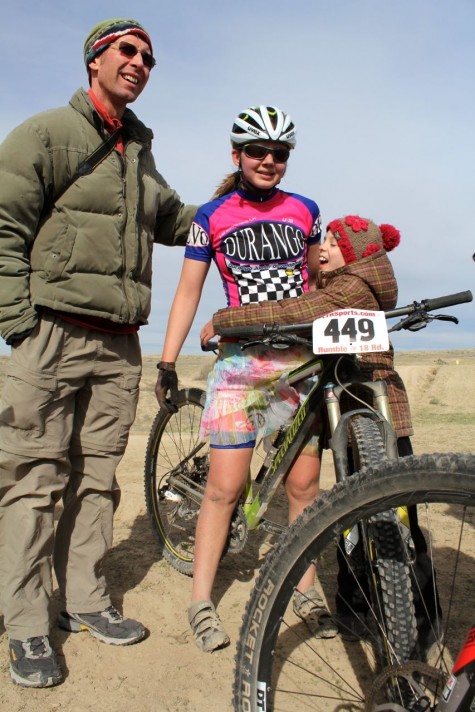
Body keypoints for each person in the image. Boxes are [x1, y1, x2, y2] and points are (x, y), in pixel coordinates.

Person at [0, 18, 196, 688]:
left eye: (148, 56)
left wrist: (242, 206)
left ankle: (82, 600)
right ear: (95, 60)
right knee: (33, 479)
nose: (140, 62)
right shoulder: (48, 132)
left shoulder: (138, 151)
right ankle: (26, 622)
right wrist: (18, 323)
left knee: (95, 480)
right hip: (49, 334)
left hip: (118, 345)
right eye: (127, 51)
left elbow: (177, 219)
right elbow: (3, 223)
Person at [155, 105, 339, 653]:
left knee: (303, 487)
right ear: (236, 156)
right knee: (225, 489)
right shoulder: (211, 215)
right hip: (241, 365)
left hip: (298, 365)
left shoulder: (306, 210)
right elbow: (188, 291)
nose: (268, 161)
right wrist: (166, 361)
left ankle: (305, 588)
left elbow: (317, 278)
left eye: (279, 154)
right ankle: (201, 600)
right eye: (257, 151)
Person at [211, 214, 442, 648]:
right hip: (369, 414)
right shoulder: (349, 284)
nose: (323, 247)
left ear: (353, 253)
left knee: (365, 513)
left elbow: (296, 310)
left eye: (333, 242)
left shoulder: (350, 288)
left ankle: (378, 617)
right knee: (386, 512)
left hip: (363, 412)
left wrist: (227, 318)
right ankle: (394, 617)